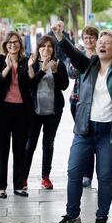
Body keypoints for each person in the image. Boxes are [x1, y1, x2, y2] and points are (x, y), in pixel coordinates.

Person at [49, 23, 112, 223]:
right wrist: (60, 35)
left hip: (110, 132)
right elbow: (72, 52)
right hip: (85, 130)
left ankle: (101, 218)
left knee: (105, 176)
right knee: (73, 172)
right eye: (100, 42)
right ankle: (72, 216)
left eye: (107, 43)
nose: (101, 45)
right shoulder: (88, 66)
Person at [23, 35, 69, 190]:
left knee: (48, 144)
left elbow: (64, 86)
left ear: (53, 49)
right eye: (43, 46)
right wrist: (42, 70)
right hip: (34, 111)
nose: (46, 49)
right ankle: (23, 178)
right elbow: (29, 85)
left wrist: (55, 72)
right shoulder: (32, 63)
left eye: (49, 46)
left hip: (53, 110)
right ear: (38, 48)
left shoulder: (58, 64)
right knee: (30, 144)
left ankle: (45, 177)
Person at [0, 31, 32, 199]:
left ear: (20, 44)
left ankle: (18, 185)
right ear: (5, 45)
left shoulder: (25, 61)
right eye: (9, 43)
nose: (13, 45)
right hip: (3, 110)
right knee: (2, 149)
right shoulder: (0, 60)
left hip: (22, 110)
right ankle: (1, 186)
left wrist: (31, 68)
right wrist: (8, 68)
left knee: (20, 150)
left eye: (16, 42)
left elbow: (30, 83)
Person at [67, 26, 99, 188]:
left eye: (91, 37)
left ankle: (88, 174)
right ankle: (84, 173)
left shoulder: (101, 54)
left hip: (95, 102)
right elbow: (71, 74)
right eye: (86, 38)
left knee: (92, 137)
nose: (88, 40)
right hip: (77, 100)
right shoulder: (77, 54)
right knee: (83, 136)